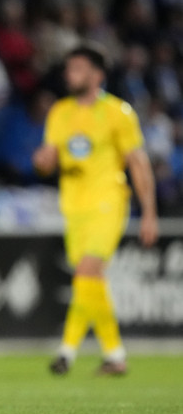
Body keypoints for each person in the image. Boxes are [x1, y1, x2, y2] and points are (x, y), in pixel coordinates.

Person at [33, 46, 159, 375]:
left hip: (109, 202)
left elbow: (138, 163)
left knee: (86, 272)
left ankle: (66, 351)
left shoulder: (118, 112)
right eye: (68, 68)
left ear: (97, 75)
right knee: (92, 282)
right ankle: (115, 355)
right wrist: (43, 162)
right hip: (74, 208)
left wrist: (149, 213)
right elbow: (48, 157)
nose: (70, 73)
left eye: (78, 68)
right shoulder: (60, 112)